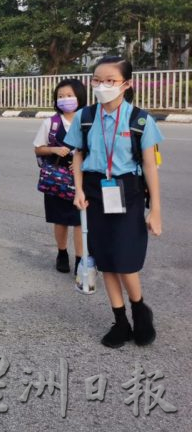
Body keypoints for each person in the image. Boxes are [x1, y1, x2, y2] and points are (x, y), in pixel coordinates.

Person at [65, 56, 163, 349]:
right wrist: (78, 190)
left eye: (110, 80)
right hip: (95, 193)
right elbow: (78, 155)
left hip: (127, 192)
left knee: (125, 261)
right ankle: (120, 322)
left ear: (126, 84)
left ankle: (139, 310)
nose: (102, 86)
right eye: (97, 80)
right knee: (106, 260)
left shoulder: (140, 121)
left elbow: (149, 166)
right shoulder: (85, 117)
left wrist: (156, 209)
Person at [33, 79, 86, 275]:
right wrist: (54, 149)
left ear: (80, 97)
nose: (65, 99)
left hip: (83, 178)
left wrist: (82, 162)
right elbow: (38, 149)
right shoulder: (51, 123)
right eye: (61, 96)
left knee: (81, 221)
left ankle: (81, 259)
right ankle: (62, 253)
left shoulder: (88, 121)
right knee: (61, 220)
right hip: (57, 180)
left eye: (69, 95)